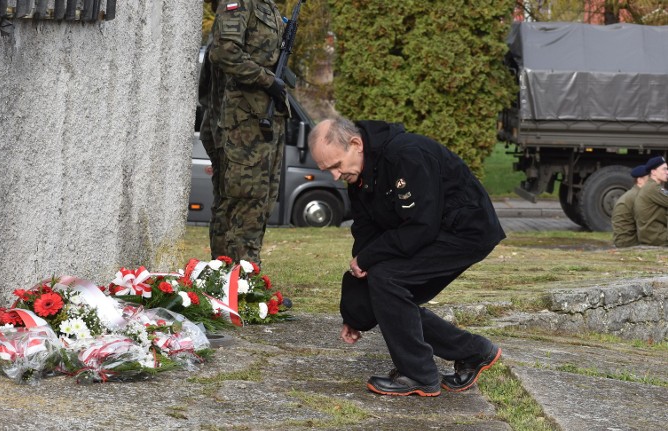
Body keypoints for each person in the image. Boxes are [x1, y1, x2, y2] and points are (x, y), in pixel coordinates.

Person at [309, 117, 505, 397]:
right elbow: (366, 232)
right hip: (430, 229)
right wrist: (357, 305)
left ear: (356, 144)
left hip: (465, 230)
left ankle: (419, 374)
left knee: (388, 280)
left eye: (336, 166)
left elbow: (420, 226)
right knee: (384, 291)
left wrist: (370, 260)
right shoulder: (361, 173)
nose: (335, 177)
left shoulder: (406, 154)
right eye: (328, 170)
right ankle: (474, 352)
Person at [207, 0, 287, 264]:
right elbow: (224, 51)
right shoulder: (240, 2)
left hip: (266, 118)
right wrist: (267, 80)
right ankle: (235, 284)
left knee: (262, 202)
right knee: (243, 200)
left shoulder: (269, 7)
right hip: (243, 123)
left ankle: (246, 279)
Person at [198, 1, 227, 256]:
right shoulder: (229, 18)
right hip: (222, 127)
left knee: (223, 201)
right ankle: (224, 268)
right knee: (227, 202)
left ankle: (223, 266)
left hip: (218, 124)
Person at [611, 164, 649, 248]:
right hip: (629, 243)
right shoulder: (639, 196)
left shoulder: (635, 194)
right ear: (640, 180)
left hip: (625, 240)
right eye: (649, 180)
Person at [634, 156, 668, 246]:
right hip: (656, 236)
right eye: (664, 169)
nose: (667, 172)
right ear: (653, 172)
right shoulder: (653, 188)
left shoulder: (651, 186)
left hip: (652, 234)